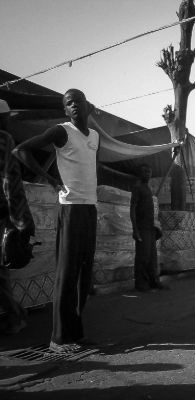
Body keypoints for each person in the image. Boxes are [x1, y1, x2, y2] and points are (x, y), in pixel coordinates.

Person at [13, 89, 99, 353]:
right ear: (65, 110)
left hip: (90, 208)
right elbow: (21, 150)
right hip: (71, 209)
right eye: (68, 103)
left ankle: (76, 333)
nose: (74, 105)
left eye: (78, 101)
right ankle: (59, 339)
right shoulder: (61, 131)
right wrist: (49, 178)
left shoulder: (94, 136)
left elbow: (89, 168)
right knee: (67, 272)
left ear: (87, 105)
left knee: (84, 275)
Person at [0, 100, 35, 335]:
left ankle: (15, 316)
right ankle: (16, 315)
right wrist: (22, 220)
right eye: (7, 116)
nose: (10, 120)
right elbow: (10, 182)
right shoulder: (4, 139)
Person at [130, 164, 164, 292]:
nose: (147, 174)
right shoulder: (137, 188)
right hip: (142, 228)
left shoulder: (147, 188)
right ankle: (141, 284)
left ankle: (153, 282)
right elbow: (132, 208)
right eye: (145, 172)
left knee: (152, 258)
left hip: (150, 228)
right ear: (140, 173)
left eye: (149, 172)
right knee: (143, 257)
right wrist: (135, 229)